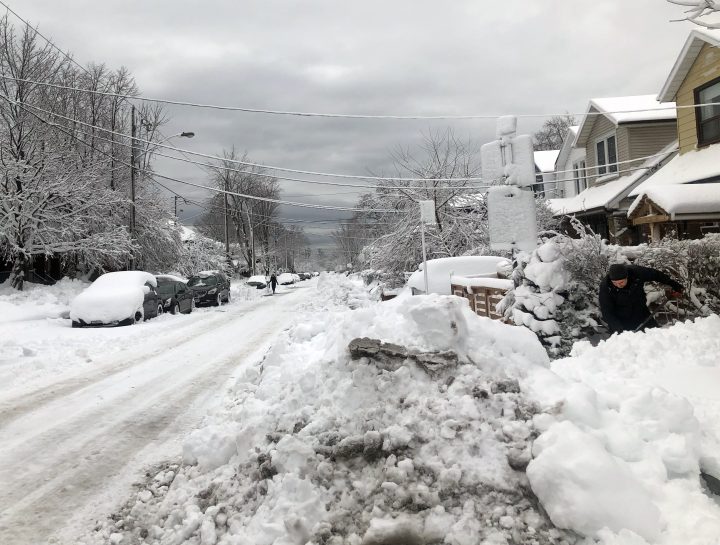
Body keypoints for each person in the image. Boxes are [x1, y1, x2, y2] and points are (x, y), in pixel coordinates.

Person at [599, 263, 683, 334]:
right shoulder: (606, 287)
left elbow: (656, 275)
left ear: (627, 276)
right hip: (621, 320)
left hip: (642, 314)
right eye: (615, 283)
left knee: (657, 336)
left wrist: (674, 284)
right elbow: (607, 312)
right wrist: (618, 329)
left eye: (621, 282)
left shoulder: (636, 273)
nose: (618, 285)